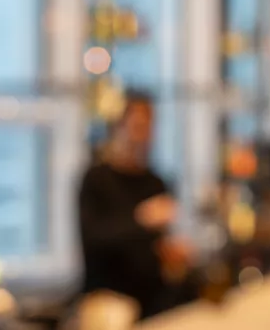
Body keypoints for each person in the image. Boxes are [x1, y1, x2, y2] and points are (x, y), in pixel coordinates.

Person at [77, 91, 193, 320]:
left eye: (149, 126)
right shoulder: (96, 179)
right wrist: (141, 220)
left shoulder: (156, 182)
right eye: (138, 125)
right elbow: (93, 240)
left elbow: (157, 247)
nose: (144, 135)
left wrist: (173, 253)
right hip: (108, 297)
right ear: (119, 126)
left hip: (153, 296)